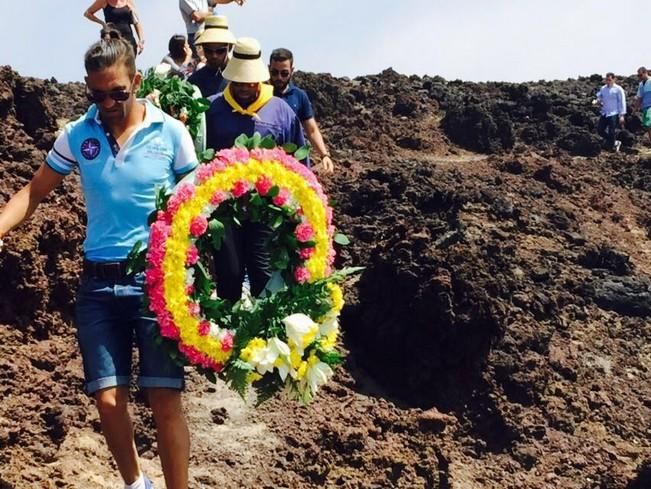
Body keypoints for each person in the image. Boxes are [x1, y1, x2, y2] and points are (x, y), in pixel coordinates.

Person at [0, 39, 198, 489]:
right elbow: (33, 192)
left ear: (138, 82)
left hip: (156, 284)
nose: (107, 103)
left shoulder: (172, 134)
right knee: (108, 401)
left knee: (165, 399)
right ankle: (136, 484)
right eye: (97, 95)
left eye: (117, 93)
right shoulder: (77, 135)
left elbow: (203, 204)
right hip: (97, 287)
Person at [205, 37, 305, 302]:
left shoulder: (280, 111)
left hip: (267, 209)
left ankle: (263, 338)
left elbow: (298, 164)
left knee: (264, 273)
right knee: (229, 274)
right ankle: (225, 338)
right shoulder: (213, 109)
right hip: (225, 208)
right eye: (239, 81)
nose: (245, 87)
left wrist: (301, 208)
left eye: (250, 81)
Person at [269, 48, 334, 173]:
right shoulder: (261, 93)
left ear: (292, 71)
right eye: (274, 72)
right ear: (268, 69)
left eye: (284, 73)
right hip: (267, 159)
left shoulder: (299, 96)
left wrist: (324, 155)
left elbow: (312, 130)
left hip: (295, 161)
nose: (279, 78)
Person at [187, 15, 235, 98]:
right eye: (209, 51)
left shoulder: (240, 79)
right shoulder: (194, 81)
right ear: (203, 49)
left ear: (229, 48)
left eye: (220, 51)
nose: (214, 56)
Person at [179, 0, 244, 56]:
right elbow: (197, 16)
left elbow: (217, 0)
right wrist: (213, 13)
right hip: (196, 36)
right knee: (202, 63)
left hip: (209, 34)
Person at [596, 72, 626, 152]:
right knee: (600, 129)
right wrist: (598, 100)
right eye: (607, 80)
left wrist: (622, 115)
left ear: (614, 79)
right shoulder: (603, 88)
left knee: (611, 131)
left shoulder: (618, 89)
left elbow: (622, 102)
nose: (608, 81)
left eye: (609, 80)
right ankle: (615, 142)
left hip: (614, 113)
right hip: (605, 112)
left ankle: (612, 147)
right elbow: (599, 95)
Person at [635, 66, 651, 143]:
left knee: (649, 122)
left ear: (645, 72)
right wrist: (635, 108)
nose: (639, 77)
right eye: (638, 75)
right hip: (645, 106)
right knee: (647, 125)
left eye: (640, 75)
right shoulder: (641, 84)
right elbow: (639, 97)